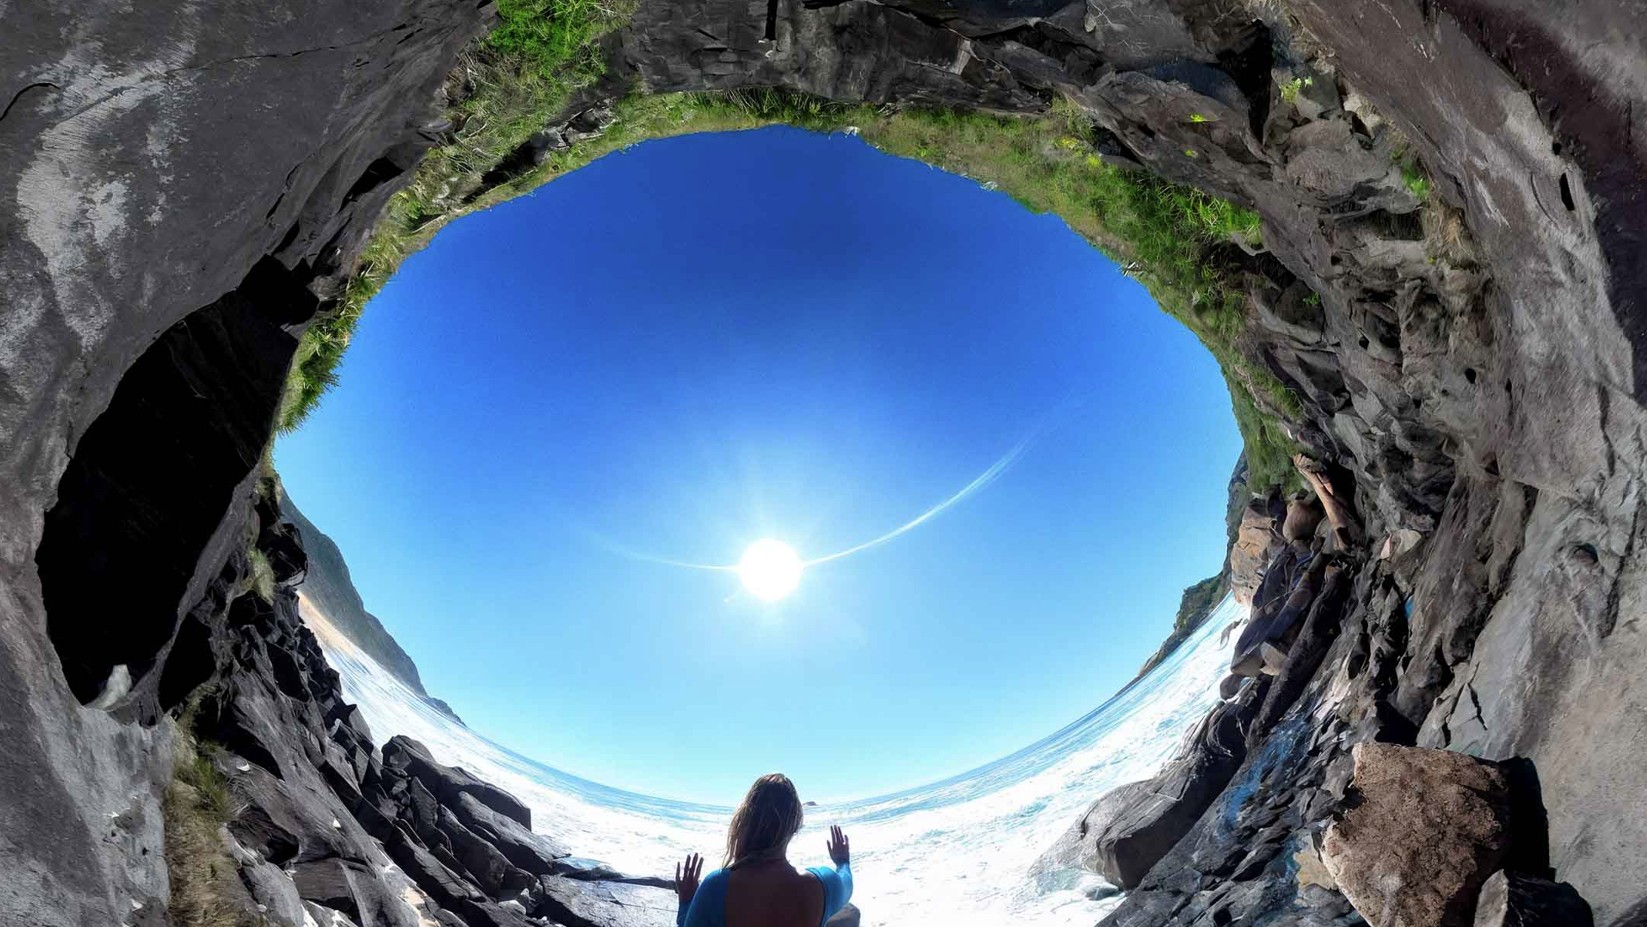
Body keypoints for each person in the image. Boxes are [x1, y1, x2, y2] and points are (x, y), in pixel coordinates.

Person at [673, 773, 854, 927]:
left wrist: (687, 901)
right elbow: (846, 883)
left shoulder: (717, 886)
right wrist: (842, 861)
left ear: (744, 820)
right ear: (794, 827)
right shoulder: (823, 884)